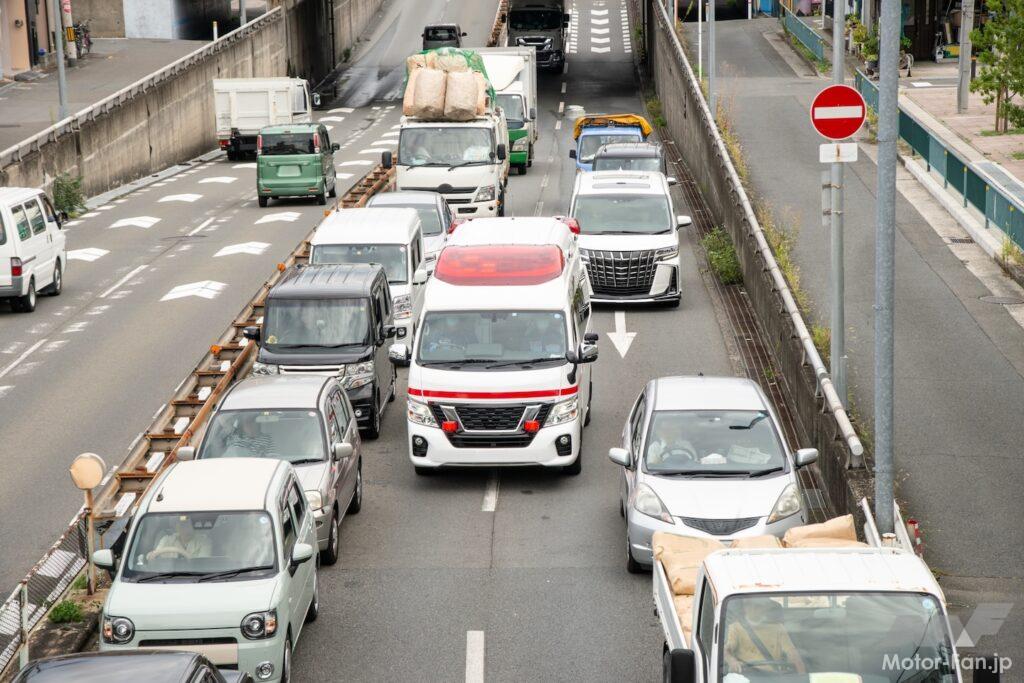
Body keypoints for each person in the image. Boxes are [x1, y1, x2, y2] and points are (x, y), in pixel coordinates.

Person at [723, 599, 806, 675]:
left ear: (764, 608)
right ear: (745, 608)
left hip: (773, 676)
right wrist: (732, 661)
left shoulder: (778, 628)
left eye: (758, 606)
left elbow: (792, 653)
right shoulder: (735, 628)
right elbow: (725, 651)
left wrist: (802, 675)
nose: (753, 608)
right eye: (748, 605)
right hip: (748, 676)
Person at [147, 516, 212, 561]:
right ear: (176, 527)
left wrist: (179, 551)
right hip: (167, 575)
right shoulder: (166, 540)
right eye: (182, 525)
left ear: (193, 527)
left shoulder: (204, 542)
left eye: (188, 525)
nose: (186, 528)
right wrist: (150, 555)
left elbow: (202, 564)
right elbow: (152, 557)